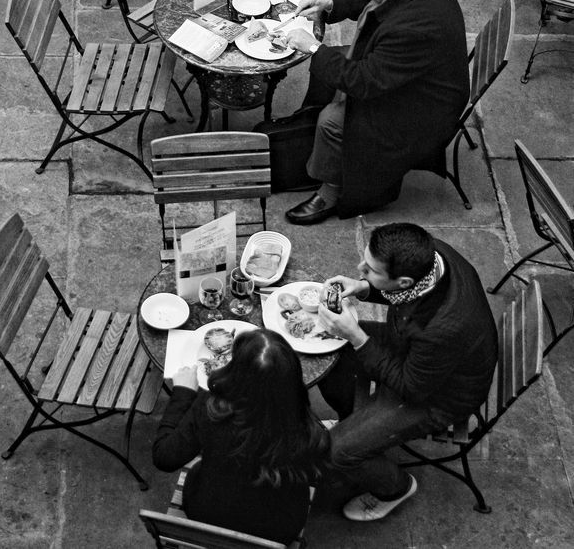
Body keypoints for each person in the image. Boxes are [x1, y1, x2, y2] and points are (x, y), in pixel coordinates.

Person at [283, 0, 470, 225]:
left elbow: (363, 82)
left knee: (332, 120)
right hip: (416, 74)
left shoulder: (412, 29)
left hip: (423, 108)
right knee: (331, 63)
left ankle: (330, 191)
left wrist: (313, 47)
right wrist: (329, 2)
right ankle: (314, 146)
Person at [316, 221, 498, 522]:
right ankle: (355, 422)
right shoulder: (431, 254)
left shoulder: (441, 329)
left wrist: (358, 337)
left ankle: (395, 488)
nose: (361, 268)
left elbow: (411, 388)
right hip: (415, 350)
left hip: (439, 398)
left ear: (402, 281)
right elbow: (398, 293)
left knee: (334, 452)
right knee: (332, 346)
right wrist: (363, 288)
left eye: (371, 270)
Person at [152, 328, 329, 544]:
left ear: (235, 371)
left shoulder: (210, 409)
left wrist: (183, 393)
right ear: (292, 379)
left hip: (207, 512)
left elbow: (164, 457)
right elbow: (316, 475)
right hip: (280, 529)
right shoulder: (311, 431)